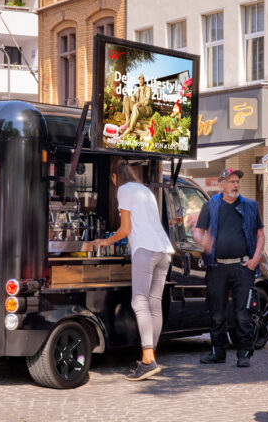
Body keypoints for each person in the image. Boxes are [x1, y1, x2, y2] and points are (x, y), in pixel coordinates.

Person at [88, 159, 175, 381]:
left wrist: (105, 242)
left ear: (115, 177)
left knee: (139, 301)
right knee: (154, 302)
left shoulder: (124, 190)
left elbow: (125, 229)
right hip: (164, 250)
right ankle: (151, 356)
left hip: (145, 250)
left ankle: (148, 359)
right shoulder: (145, 190)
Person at [194, 168, 264, 368]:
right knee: (216, 311)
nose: (235, 185)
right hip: (217, 267)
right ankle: (218, 352)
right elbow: (199, 232)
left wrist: (255, 259)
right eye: (231, 181)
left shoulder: (250, 206)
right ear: (221, 184)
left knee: (243, 312)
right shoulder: (211, 206)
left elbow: (260, 235)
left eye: (237, 182)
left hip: (243, 266)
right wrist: (201, 240)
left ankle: (244, 354)